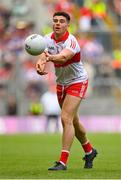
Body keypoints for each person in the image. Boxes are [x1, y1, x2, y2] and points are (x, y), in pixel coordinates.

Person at [36, 11, 98, 171]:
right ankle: (90, 151)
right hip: (61, 83)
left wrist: (47, 58)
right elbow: (43, 53)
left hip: (77, 81)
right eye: (55, 20)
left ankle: (63, 162)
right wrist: (40, 61)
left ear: (67, 25)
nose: (57, 23)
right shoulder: (47, 38)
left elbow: (63, 57)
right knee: (73, 121)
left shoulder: (71, 41)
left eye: (61, 21)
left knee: (65, 118)